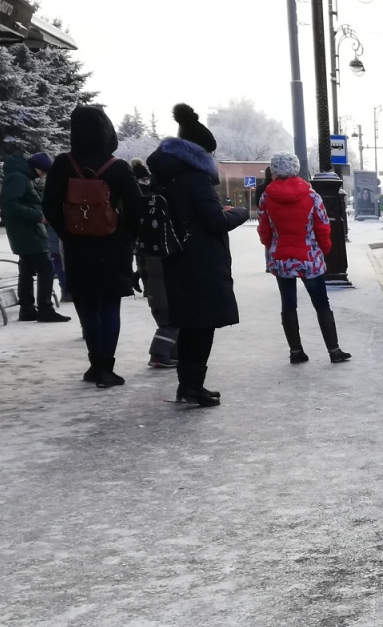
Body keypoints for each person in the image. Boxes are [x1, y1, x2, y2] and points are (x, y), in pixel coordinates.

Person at [148, 104, 246, 407]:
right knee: (202, 326)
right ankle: (192, 386)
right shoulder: (195, 178)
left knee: (191, 325)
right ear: (201, 154)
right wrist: (238, 213)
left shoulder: (167, 175)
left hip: (178, 258)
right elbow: (215, 221)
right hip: (200, 262)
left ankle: (188, 385)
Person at [41, 107, 146, 385]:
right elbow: (136, 210)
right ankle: (107, 368)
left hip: (78, 247)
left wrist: (68, 233)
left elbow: (50, 206)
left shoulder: (63, 165)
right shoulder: (119, 167)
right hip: (113, 247)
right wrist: (126, 236)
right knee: (110, 306)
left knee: (86, 305)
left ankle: (94, 365)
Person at [257, 152, 351, 365]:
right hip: (309, 257)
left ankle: (296, 351)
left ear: (274, 171)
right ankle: (334, 350)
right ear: (296, 169)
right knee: (321, 303)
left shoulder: (266, 198)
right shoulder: (311, 196)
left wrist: (271, 246)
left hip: (281, 258)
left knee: (288, 304)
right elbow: (322, 226)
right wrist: (324, 249)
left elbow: (264, 229)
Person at [1, 150, 69, 323]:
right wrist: (37, 216)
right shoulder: (18, 178)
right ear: (38, 168)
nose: (43, 176)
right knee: (46, 269)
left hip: (26, 231)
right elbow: (10, 205)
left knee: (26, 270)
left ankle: (27, 309)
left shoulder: (22, 177)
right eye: (44, 172)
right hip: (28, 232)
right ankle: (45, 309)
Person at [128, 158, 177, 368]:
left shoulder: (144, 209)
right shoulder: (163, 204)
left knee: (165, 315)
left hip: (150, 274)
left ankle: (172, 353)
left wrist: (140, 272)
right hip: (162, 276)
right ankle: (159, 354)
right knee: (172, 320)